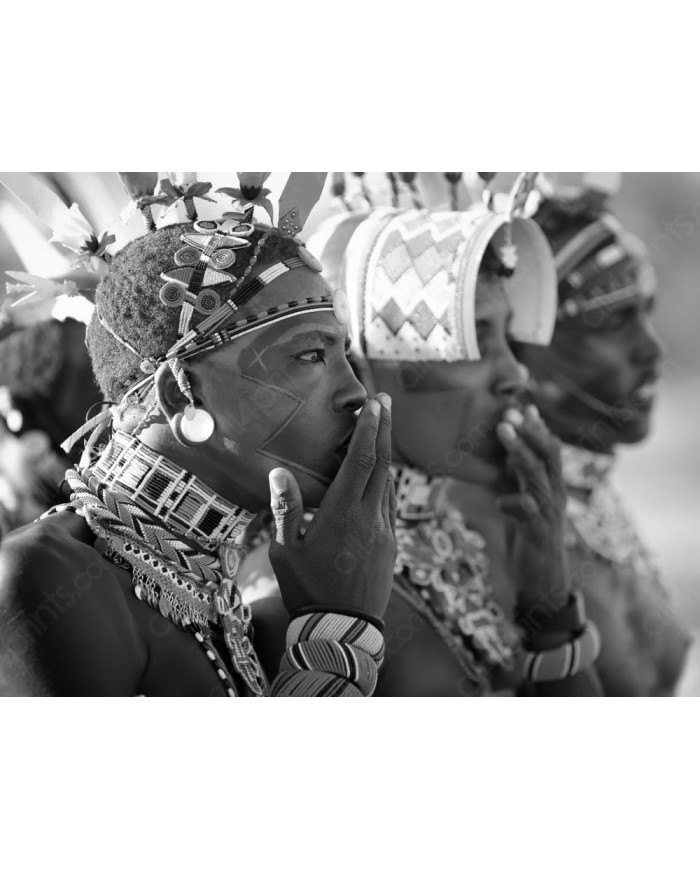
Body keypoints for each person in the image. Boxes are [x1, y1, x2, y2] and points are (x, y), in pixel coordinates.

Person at [0, 172, 396, 697]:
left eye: (342, 354)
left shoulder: (220, 600)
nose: (357, 396)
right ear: (181, 394)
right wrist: (337, 622)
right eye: (309, 355)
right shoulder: (44, 579)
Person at [251, 188, 603, 696]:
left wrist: (548, 589)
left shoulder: (459, 535)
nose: (516, 374)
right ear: (363, 369)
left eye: (508, 338)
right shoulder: (300, 587)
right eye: (476, 338)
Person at [513, 179, 690, 695]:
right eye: (613, 322)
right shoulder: (502, 523)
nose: (653, 352)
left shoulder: (592, 498)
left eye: (645, 315)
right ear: (524, 345)